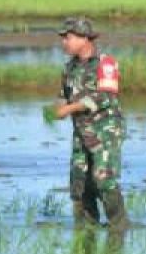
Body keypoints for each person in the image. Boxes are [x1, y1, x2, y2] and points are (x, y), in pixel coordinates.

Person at [51, 17, 129, 230]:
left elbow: (105, 97)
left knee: (103, 179)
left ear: (84, 38)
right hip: (81, 131)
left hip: (106, 130)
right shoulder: (69, 68)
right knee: (80, 184)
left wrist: (69, 108)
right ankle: (88, 230)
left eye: (68, 38)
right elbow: (63, 95)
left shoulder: (106, 63)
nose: (64, 43)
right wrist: (57, 107)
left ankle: (118, 227)